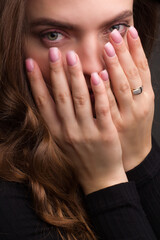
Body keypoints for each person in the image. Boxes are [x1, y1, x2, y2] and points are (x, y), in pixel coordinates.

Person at [0, 0, 159, 239]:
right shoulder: (7, 201)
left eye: (116, 28)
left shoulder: (130, 129)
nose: (93, 66)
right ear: (11, 40)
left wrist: (139, 157)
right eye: (53, 35)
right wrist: (106, 182)